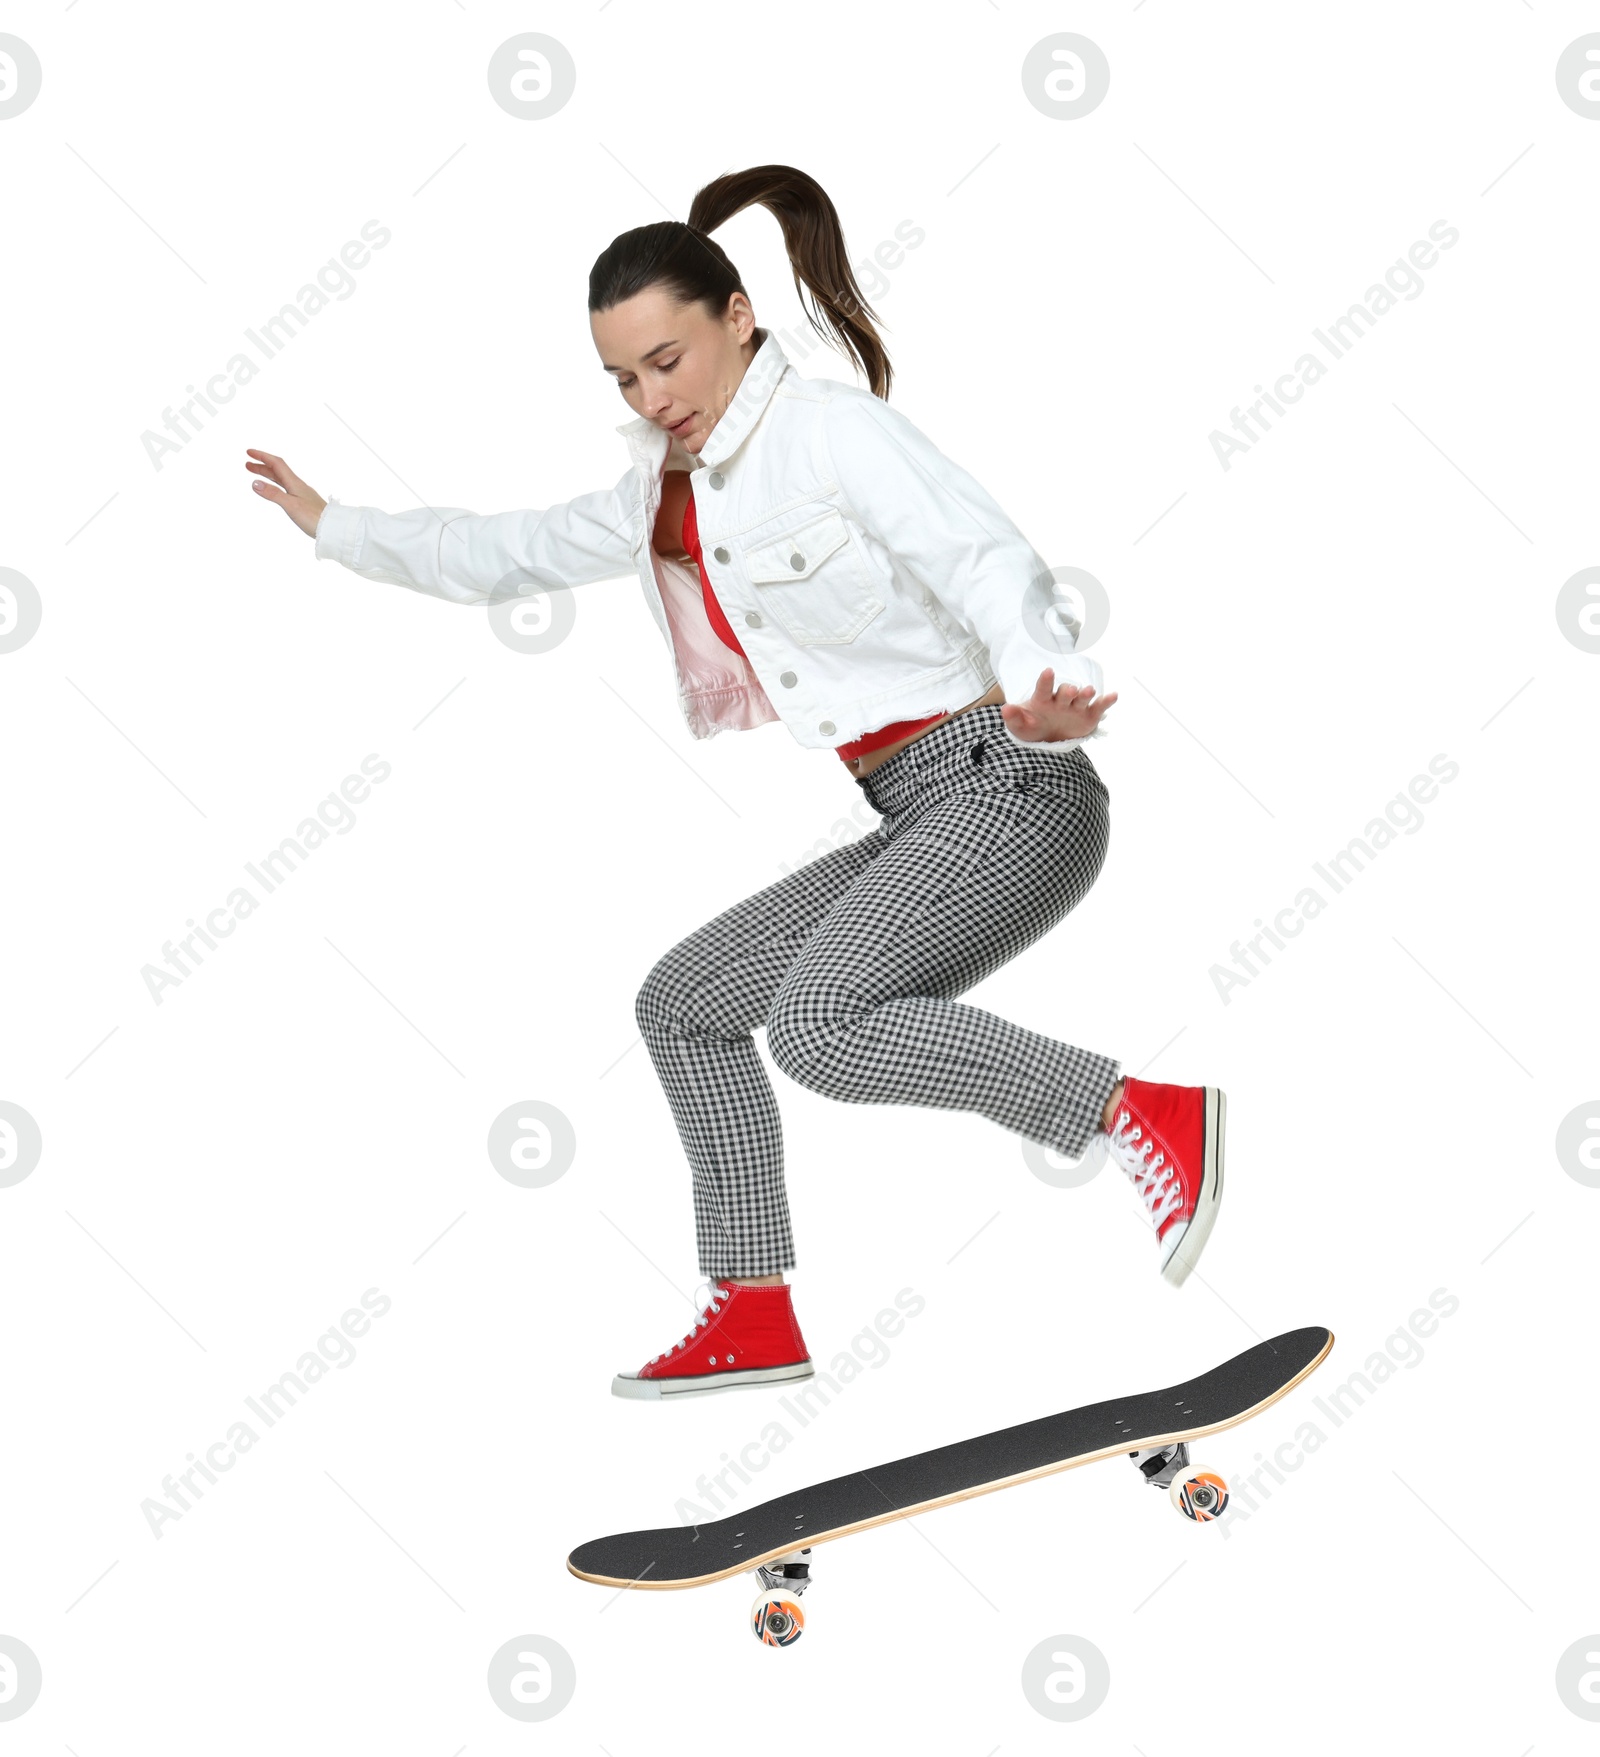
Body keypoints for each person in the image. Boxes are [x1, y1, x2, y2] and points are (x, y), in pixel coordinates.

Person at [246, 163, 1224, 1404]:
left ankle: (1142, 1112)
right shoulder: (668, 494)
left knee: (818, 1022)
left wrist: (1046, 683)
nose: (656, 397)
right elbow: (506, 547)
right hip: (922, 805)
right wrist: (338, 526)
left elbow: (979, 554)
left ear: (737, 317)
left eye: (667, 360)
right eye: (623, 379)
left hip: (1007, 778)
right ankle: (752, 1306)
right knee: (688, 1002)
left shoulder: (830, 433)